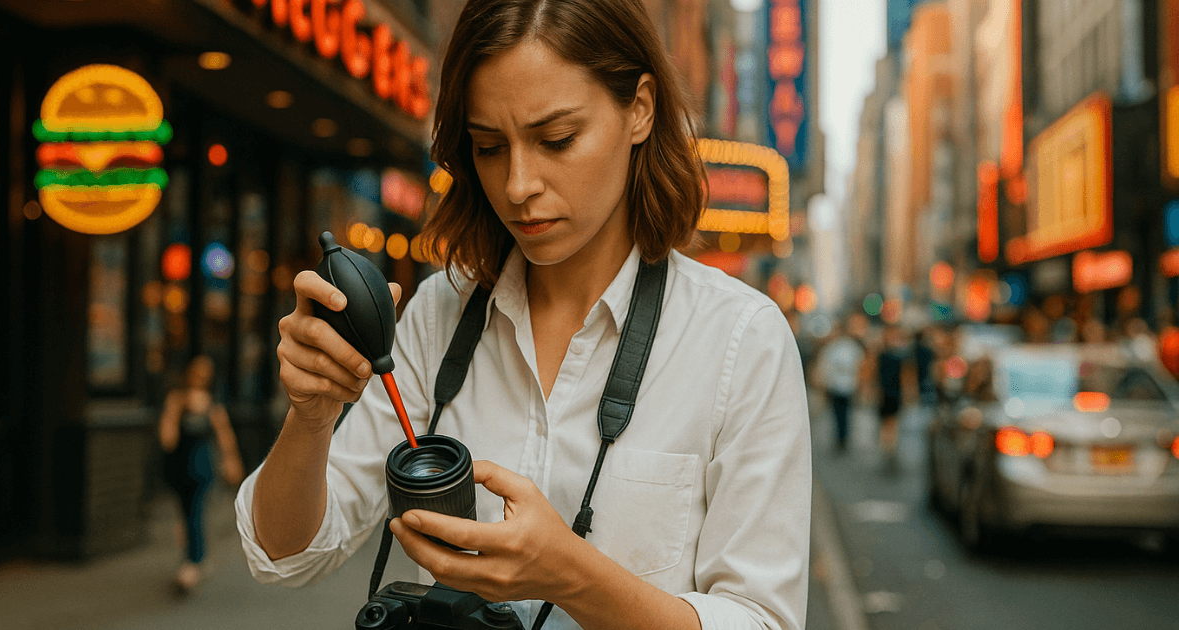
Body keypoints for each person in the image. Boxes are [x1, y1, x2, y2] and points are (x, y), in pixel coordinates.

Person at [235, 1, 812, 628]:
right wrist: (311, 417)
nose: (516, 185)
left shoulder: (740, 340)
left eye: (556, 140)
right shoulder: (438, 316)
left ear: (640, 108)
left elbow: (763, 620)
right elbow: (285, 555)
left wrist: (571, 575)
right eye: (488, 147)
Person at [159, 355, 244, 592]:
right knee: (186, 514)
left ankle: (191, 565)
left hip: (201, 467)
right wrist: (175, 412)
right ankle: (198, 557)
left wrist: (231, 460)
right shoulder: (177, 399)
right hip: (178, 468)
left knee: (194, 514)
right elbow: (167, 439)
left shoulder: (213, 405)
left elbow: (225, 435)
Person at [815, 314, 867, 453]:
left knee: (840, 415)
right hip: (843, 386)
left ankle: (841, 439)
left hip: (842, 386)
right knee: (842, 415)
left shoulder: (837, 347)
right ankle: (842, 438)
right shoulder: (847, 347)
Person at [875, 325, 907, 475]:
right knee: (890, 425)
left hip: (890, 395)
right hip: (890, 395)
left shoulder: (884, 355)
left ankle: (888, 449)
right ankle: (889, 449)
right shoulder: (896, 355)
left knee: (888, 425)